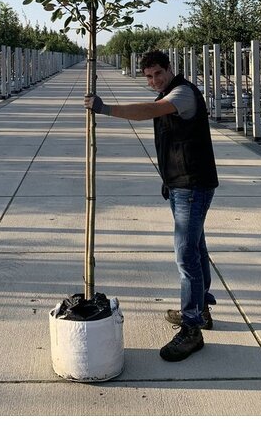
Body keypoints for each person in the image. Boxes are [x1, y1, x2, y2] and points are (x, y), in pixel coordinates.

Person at [84, 49, 218, 362]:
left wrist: (105, 108)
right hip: (182, 183)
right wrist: (169, 179)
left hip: (193, 186)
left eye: (158, 73)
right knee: (196, 250)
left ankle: (191, 327)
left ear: (170, 69)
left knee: (186, 256)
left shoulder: (182, 93)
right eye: (148, 76)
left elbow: (148, 111)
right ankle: (201, 310)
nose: (154, 80)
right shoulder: (171, 91)